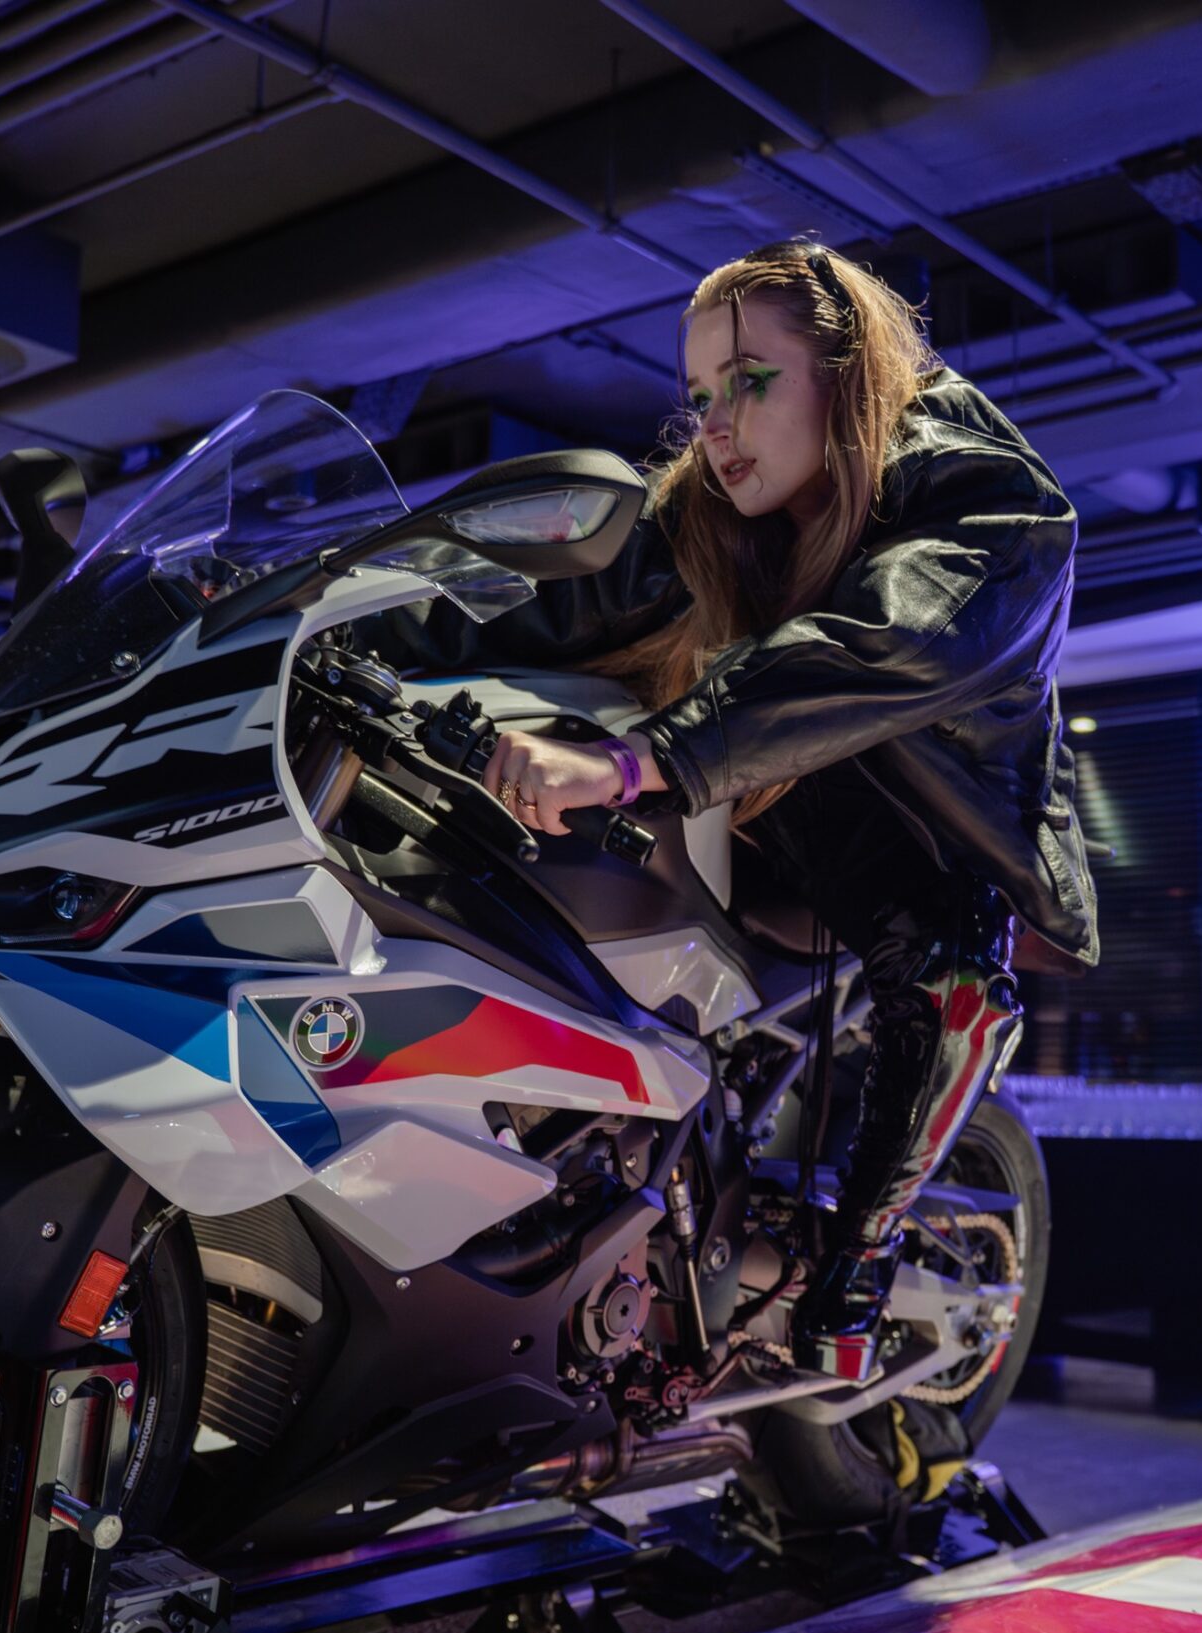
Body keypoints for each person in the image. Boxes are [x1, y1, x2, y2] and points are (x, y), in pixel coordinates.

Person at [365, 238, 1095, 1379]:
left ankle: (859, 1260)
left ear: (847, 376)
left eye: (749, 380)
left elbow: (879, 646)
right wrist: (319, 625)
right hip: (761, 783)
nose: (713, 423)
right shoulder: (708, 511)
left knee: (949, 968)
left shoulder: (993, 505)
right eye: (700, 394)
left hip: (919, 811)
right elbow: (541, 609)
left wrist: (629, 763)